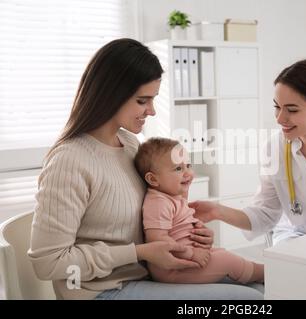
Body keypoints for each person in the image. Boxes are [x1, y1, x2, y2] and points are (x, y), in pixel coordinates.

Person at [27, 38, 264, 300]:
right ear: (111, 94)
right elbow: (48, 262)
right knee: (249, 299)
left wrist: (189, 233)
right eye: (142, 101)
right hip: (99, 291)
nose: (151, 111)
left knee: (260, 287)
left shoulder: (129, 144)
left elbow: (149, 217)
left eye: (153, 100)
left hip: (146, 275)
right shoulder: (69, 161)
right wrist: (139, 253)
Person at [190, 59, 306, 246]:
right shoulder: (274, 147)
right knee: (286, 270)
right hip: (294, 238)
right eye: (277, 107)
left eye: (292, 110)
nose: (280, 118)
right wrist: (217, 211)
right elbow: (264, 214)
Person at [134, 137, 264, 284]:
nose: (188, 172)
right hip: (173, 269)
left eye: (188, 165)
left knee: (222, 253)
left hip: (187, 258)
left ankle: (255, 275)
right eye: (178, 168)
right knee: (228, 261)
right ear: (153, 179)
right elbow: (157, 240)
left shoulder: (173, 197)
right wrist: (191, 253)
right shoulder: (158, 203)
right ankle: (263, 274)